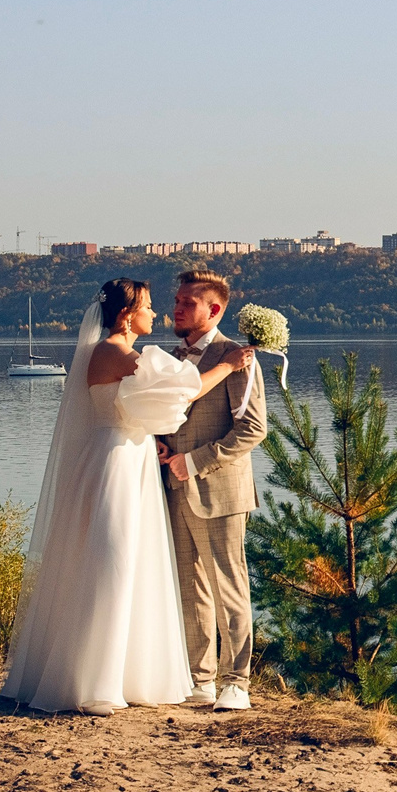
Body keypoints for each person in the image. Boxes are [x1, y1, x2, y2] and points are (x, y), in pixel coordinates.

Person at [2, 278, 255, 716]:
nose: (158, 313)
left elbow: (144, 408)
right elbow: (184, 391)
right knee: (113, 563)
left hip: (131, 458)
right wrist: (229, 366)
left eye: (175, 303)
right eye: (152, 306)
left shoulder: (115, 354)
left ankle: (135, 674)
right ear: (126, 314)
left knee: (131, 566)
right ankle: (97, 679)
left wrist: (156, 440)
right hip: (117, 466)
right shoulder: (119, 353)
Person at [154, 269, 267, 711]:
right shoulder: (168, 357)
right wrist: (161, 446)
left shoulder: (236, 356)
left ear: (214, 309)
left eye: (187, 302)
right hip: (172, 488)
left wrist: (193, 461)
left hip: (219, 489)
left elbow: (254, 429)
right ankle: (200, 679)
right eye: (177, 300)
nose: (176, 308)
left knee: (229, 586)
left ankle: (236, 682)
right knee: (189, 586)